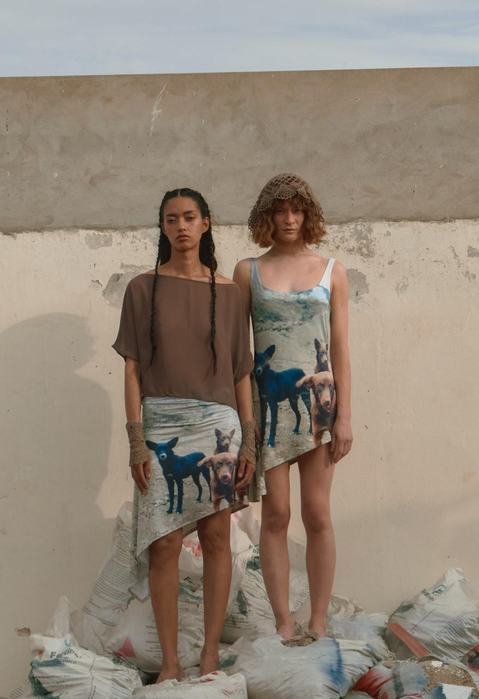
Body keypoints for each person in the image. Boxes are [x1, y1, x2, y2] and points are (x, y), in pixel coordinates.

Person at [113, 188, 256, 682]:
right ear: (162, 226)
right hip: (162, 424)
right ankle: (171, 662)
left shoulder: (231, 294)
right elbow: (132, 369)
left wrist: (249, 439)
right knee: (164, 544)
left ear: (206, 223)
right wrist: (136, 437)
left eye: (189, 217)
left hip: (218, 426)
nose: (181, 226)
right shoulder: (141, 288)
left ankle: (210, 653)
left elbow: (241, 373)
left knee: (217, 538)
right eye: (171, 219)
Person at [234, 173, 352, 640]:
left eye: (296, 210)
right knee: (276, 515)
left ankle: (318, 620)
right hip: (268, 411)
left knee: (317, 514)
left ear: (308, 215)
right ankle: (283, 622)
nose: (288, 219)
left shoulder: (331, 271)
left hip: (320, 410)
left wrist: (344, 416)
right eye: (280, 210)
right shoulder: (248, 271)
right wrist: (243, 421)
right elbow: (239, 353)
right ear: (267, 217)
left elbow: (339, 348)